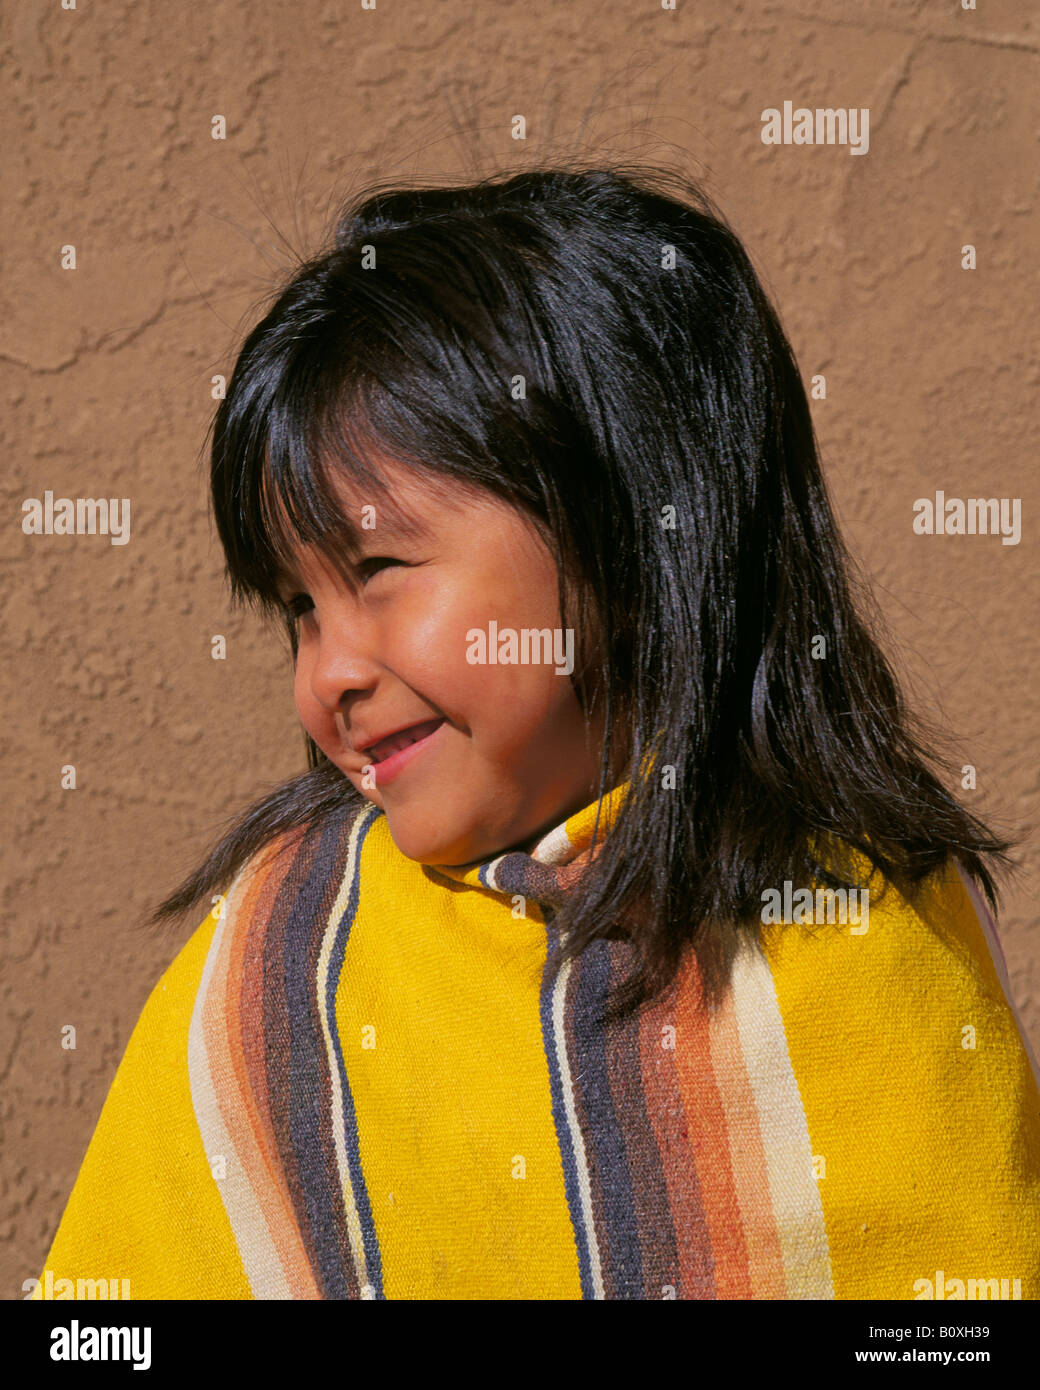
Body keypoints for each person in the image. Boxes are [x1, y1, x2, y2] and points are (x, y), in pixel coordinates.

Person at [34, 164, 1040, 1300]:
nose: (329, 675)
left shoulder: (862, 930)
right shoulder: (286, 964)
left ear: (627, 531)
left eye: (377, 571)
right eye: (298, 608)